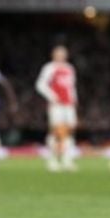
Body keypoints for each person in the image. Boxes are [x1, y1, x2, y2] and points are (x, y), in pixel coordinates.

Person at [35, 44, 78, 172]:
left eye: (63, 53)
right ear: (53, 55)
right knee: (56, 132)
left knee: (69, 131)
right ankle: (52, 160)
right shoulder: (49, 68)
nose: (61, 56)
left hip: (68, 105)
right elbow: (40, 84)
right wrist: (52, 96)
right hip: (57, 105)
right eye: (59, 53)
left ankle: (67, 159)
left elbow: (71, 87)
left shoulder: (70, 68)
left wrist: (74, 100)